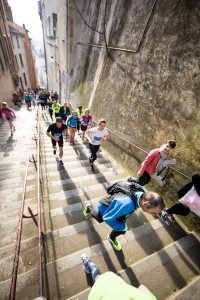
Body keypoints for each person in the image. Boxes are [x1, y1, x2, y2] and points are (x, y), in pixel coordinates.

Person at [83, 180, 165, 251]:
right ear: (145, 203)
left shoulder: (142, 193)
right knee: (101, 220)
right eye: (154, 212)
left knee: (121, 229)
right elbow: (107, 218)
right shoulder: (127, 205)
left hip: (116, 206)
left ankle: (111, 237)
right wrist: (122, 227)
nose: (154, 214)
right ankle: (88, 208)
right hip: (105, 207)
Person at [81, 254, 157, 300]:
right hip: (97, 295)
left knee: (98, 278)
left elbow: (142, 287)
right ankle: (88, 267)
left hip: (111, 286)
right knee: (96, 282)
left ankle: (89, 266)